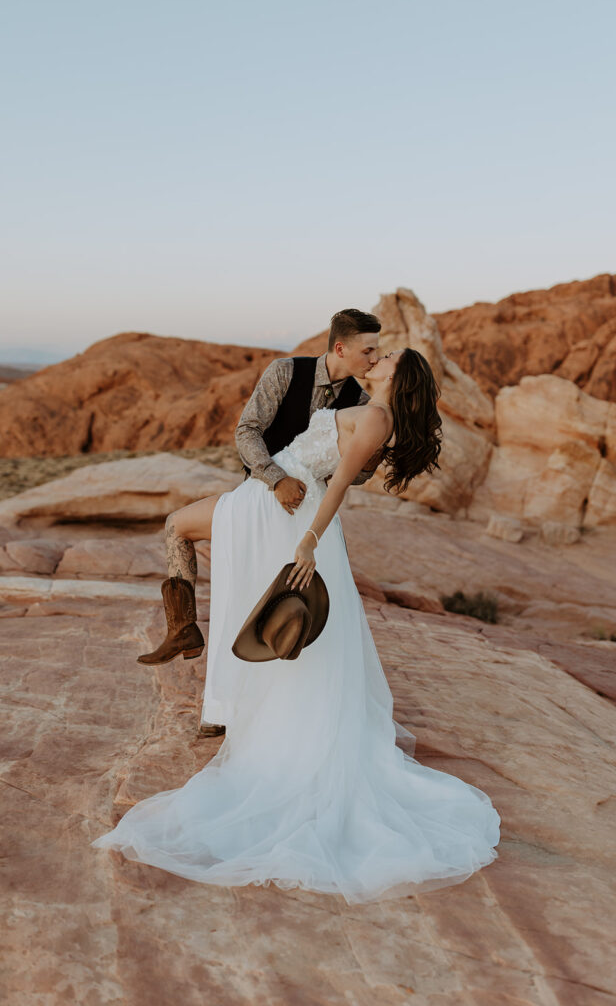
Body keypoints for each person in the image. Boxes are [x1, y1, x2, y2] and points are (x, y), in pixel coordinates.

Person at [91, 345, 501, 904]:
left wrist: (309, 539)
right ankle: (207, 660)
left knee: (180, 528)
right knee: (232, 576)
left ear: (400, 378)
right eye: (375, 352)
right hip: (275, 500)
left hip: (287, 512)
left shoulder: (377, 417)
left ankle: (200, 649)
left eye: (387, 359)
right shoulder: (366, 405)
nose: (377, 359)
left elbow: (338, 483)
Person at [137, 308, 386, 737]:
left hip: (308, 513)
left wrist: (374, 458)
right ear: (340, 347)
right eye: (368, 350)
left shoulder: (363, 404)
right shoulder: (286, 372)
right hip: (264, 497)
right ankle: (185, 635)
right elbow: (247, 430)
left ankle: (270, 713)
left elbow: (354, 475)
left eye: (378, 351)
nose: (374, 358)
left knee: (284, 609)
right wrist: (275, 478)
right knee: (214, 566)